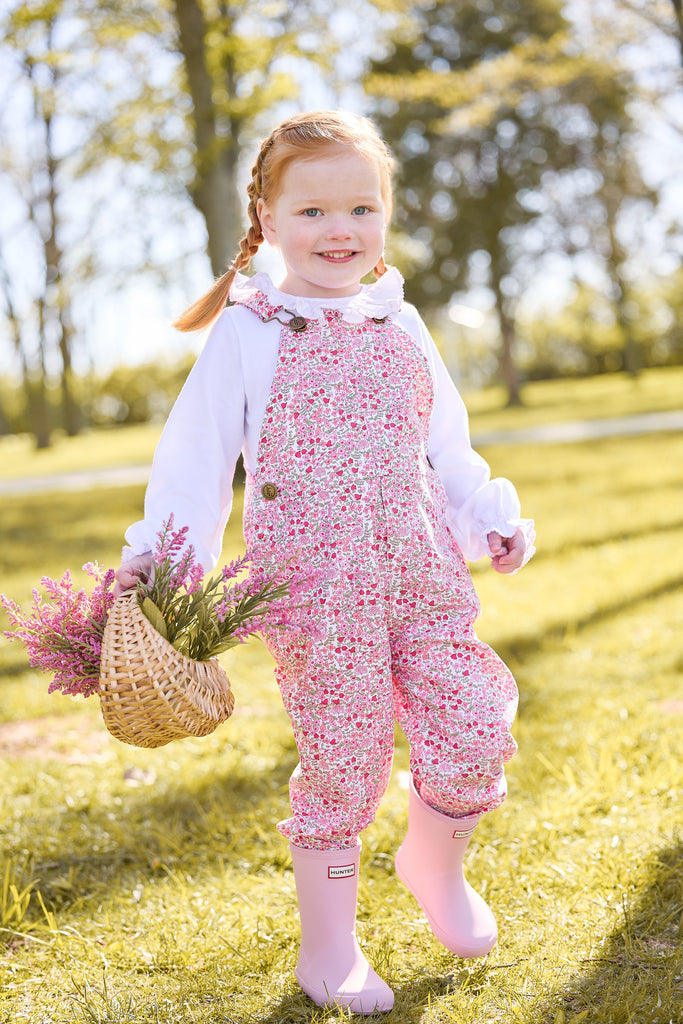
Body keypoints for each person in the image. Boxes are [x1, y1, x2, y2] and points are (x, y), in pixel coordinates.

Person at [115, 110, 535, 1015]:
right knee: (343, 758)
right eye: (311, 212)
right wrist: (160, 564)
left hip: (422, 575)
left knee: (472, 723)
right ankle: (330, 948)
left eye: (360, 208)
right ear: (266, 220)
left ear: (385, 214)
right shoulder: (250, 332)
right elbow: (193, 464)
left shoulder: (401, 322)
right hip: (316, 591)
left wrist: (486, 520)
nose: (338, 230)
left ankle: (432, 863)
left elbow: (446, 449)